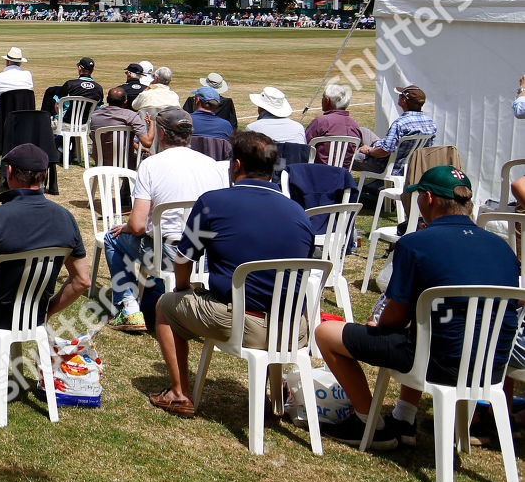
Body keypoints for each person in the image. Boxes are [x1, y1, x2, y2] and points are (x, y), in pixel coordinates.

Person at [316, 165, 520, 449]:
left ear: (429, 199)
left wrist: (379, 325)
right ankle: (404, 417)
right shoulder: (502, 248)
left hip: (438, 363)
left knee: (327, 333)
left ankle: (369, 424)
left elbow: (395, 318)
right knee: (425, 329)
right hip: (492, 365)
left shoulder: (416, 243)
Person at [148, 132, 316, 416]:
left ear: (235, 165)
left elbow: (184, 257)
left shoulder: (213, 203)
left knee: (165, 306)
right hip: (292, 329)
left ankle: (179, 393)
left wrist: (183, 288)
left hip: (241, 321)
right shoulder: (298, 212)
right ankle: (273, 397)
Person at [0, 144, 90, 381]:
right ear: (45, 175)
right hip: (33, 314)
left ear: (9, 172)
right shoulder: (66, 218)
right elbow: (82, 281)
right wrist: (47, 311)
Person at [101, 109, 225, 333]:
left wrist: (125, 227)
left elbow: (137, 226)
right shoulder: (213, 166)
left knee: (112, 238)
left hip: (168, 254)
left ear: (161, 133)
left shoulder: (151, 165)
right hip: (208, 255)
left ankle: (128, 308)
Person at [354, 85, 436, 174]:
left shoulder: (400, 124)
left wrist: (368, 150)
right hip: (412, 165)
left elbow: (384, 152)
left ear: (404, 101)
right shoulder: (430, 123)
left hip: (388, 165)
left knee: (342, 158)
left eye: (400, 96)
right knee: (363, 131)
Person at [305, 83, 363, 163]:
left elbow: (304, 145)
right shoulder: (354, 125)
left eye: (323, 97)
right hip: (343, 173)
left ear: (327, 101)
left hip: (317, 171)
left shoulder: (320, 122)